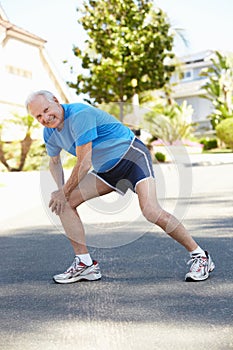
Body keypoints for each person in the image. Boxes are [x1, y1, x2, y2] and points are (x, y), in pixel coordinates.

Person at [26, 90, 215, 284]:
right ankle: (85, 265)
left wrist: (63, 192)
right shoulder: (49, 132)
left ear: (56, 101)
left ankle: (201, 257)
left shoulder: (79, 115)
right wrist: (61, 191)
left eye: (46, 110)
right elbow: (54, 162)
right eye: (38, 116)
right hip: (107, 170)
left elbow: (84, 162)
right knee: (65, 204)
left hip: (131, 157)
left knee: (151, 211)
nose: (45, 118)